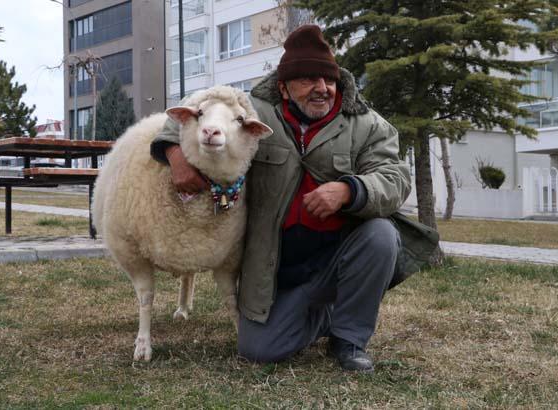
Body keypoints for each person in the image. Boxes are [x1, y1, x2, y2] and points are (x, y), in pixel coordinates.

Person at [151, 25, 437, 373]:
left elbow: (394, 177)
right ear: (284, 88)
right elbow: (187, 115)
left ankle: (349, 339)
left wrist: (349, 190)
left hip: (338, 254)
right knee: (259, 350)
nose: (322, 88)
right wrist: (176, 157)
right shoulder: (251, 110)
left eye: (328, 80)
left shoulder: (365, 123)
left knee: (380, 235)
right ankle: (324, 317)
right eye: (308, 80)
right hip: (277, 266)